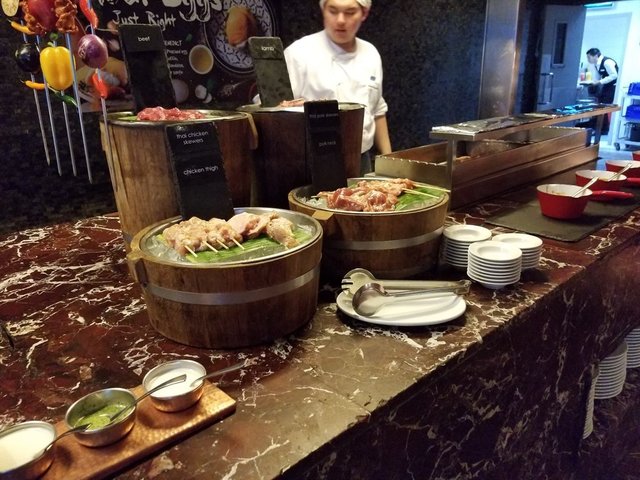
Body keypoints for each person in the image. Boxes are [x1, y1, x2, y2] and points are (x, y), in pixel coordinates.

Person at [284, 0, 391, 175]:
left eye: (350, 12)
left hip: (362, 160)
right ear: (323, 11)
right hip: (313, 162)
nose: (340, 20)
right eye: (333, 11)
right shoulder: (299, 53)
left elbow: (378, 109)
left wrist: (389, 162)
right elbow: (274, 109)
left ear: (364, 13)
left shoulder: (370, 53)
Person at [585, 47, 619, 134]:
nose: (588, 59)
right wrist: (594, 82)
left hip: (613, 86)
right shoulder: (596, 64)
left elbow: (614, 75)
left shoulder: (607, 62)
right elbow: (597, 76)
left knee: (603, 107)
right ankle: (597, 127)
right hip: (606, 86)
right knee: (599, 106)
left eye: (589, 57)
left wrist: (600, 82)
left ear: (596, 56)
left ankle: (603, 129)